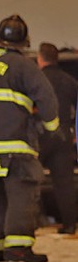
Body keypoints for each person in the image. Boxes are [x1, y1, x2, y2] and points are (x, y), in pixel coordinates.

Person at [0, 15, 59, 262]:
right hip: (15, 147)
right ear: (24, 41)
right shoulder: (23, 66)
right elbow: (46, 97)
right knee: (21, 196)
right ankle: (18, 248)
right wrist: (53, 126)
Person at [36, 43, 77, 235]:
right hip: (63, 136)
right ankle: (70, 224)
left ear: (40, 59)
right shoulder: (70, 81)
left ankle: (33, 222)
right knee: (65, 183)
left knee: (30, 180)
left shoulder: (35, 78)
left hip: (39, 134)